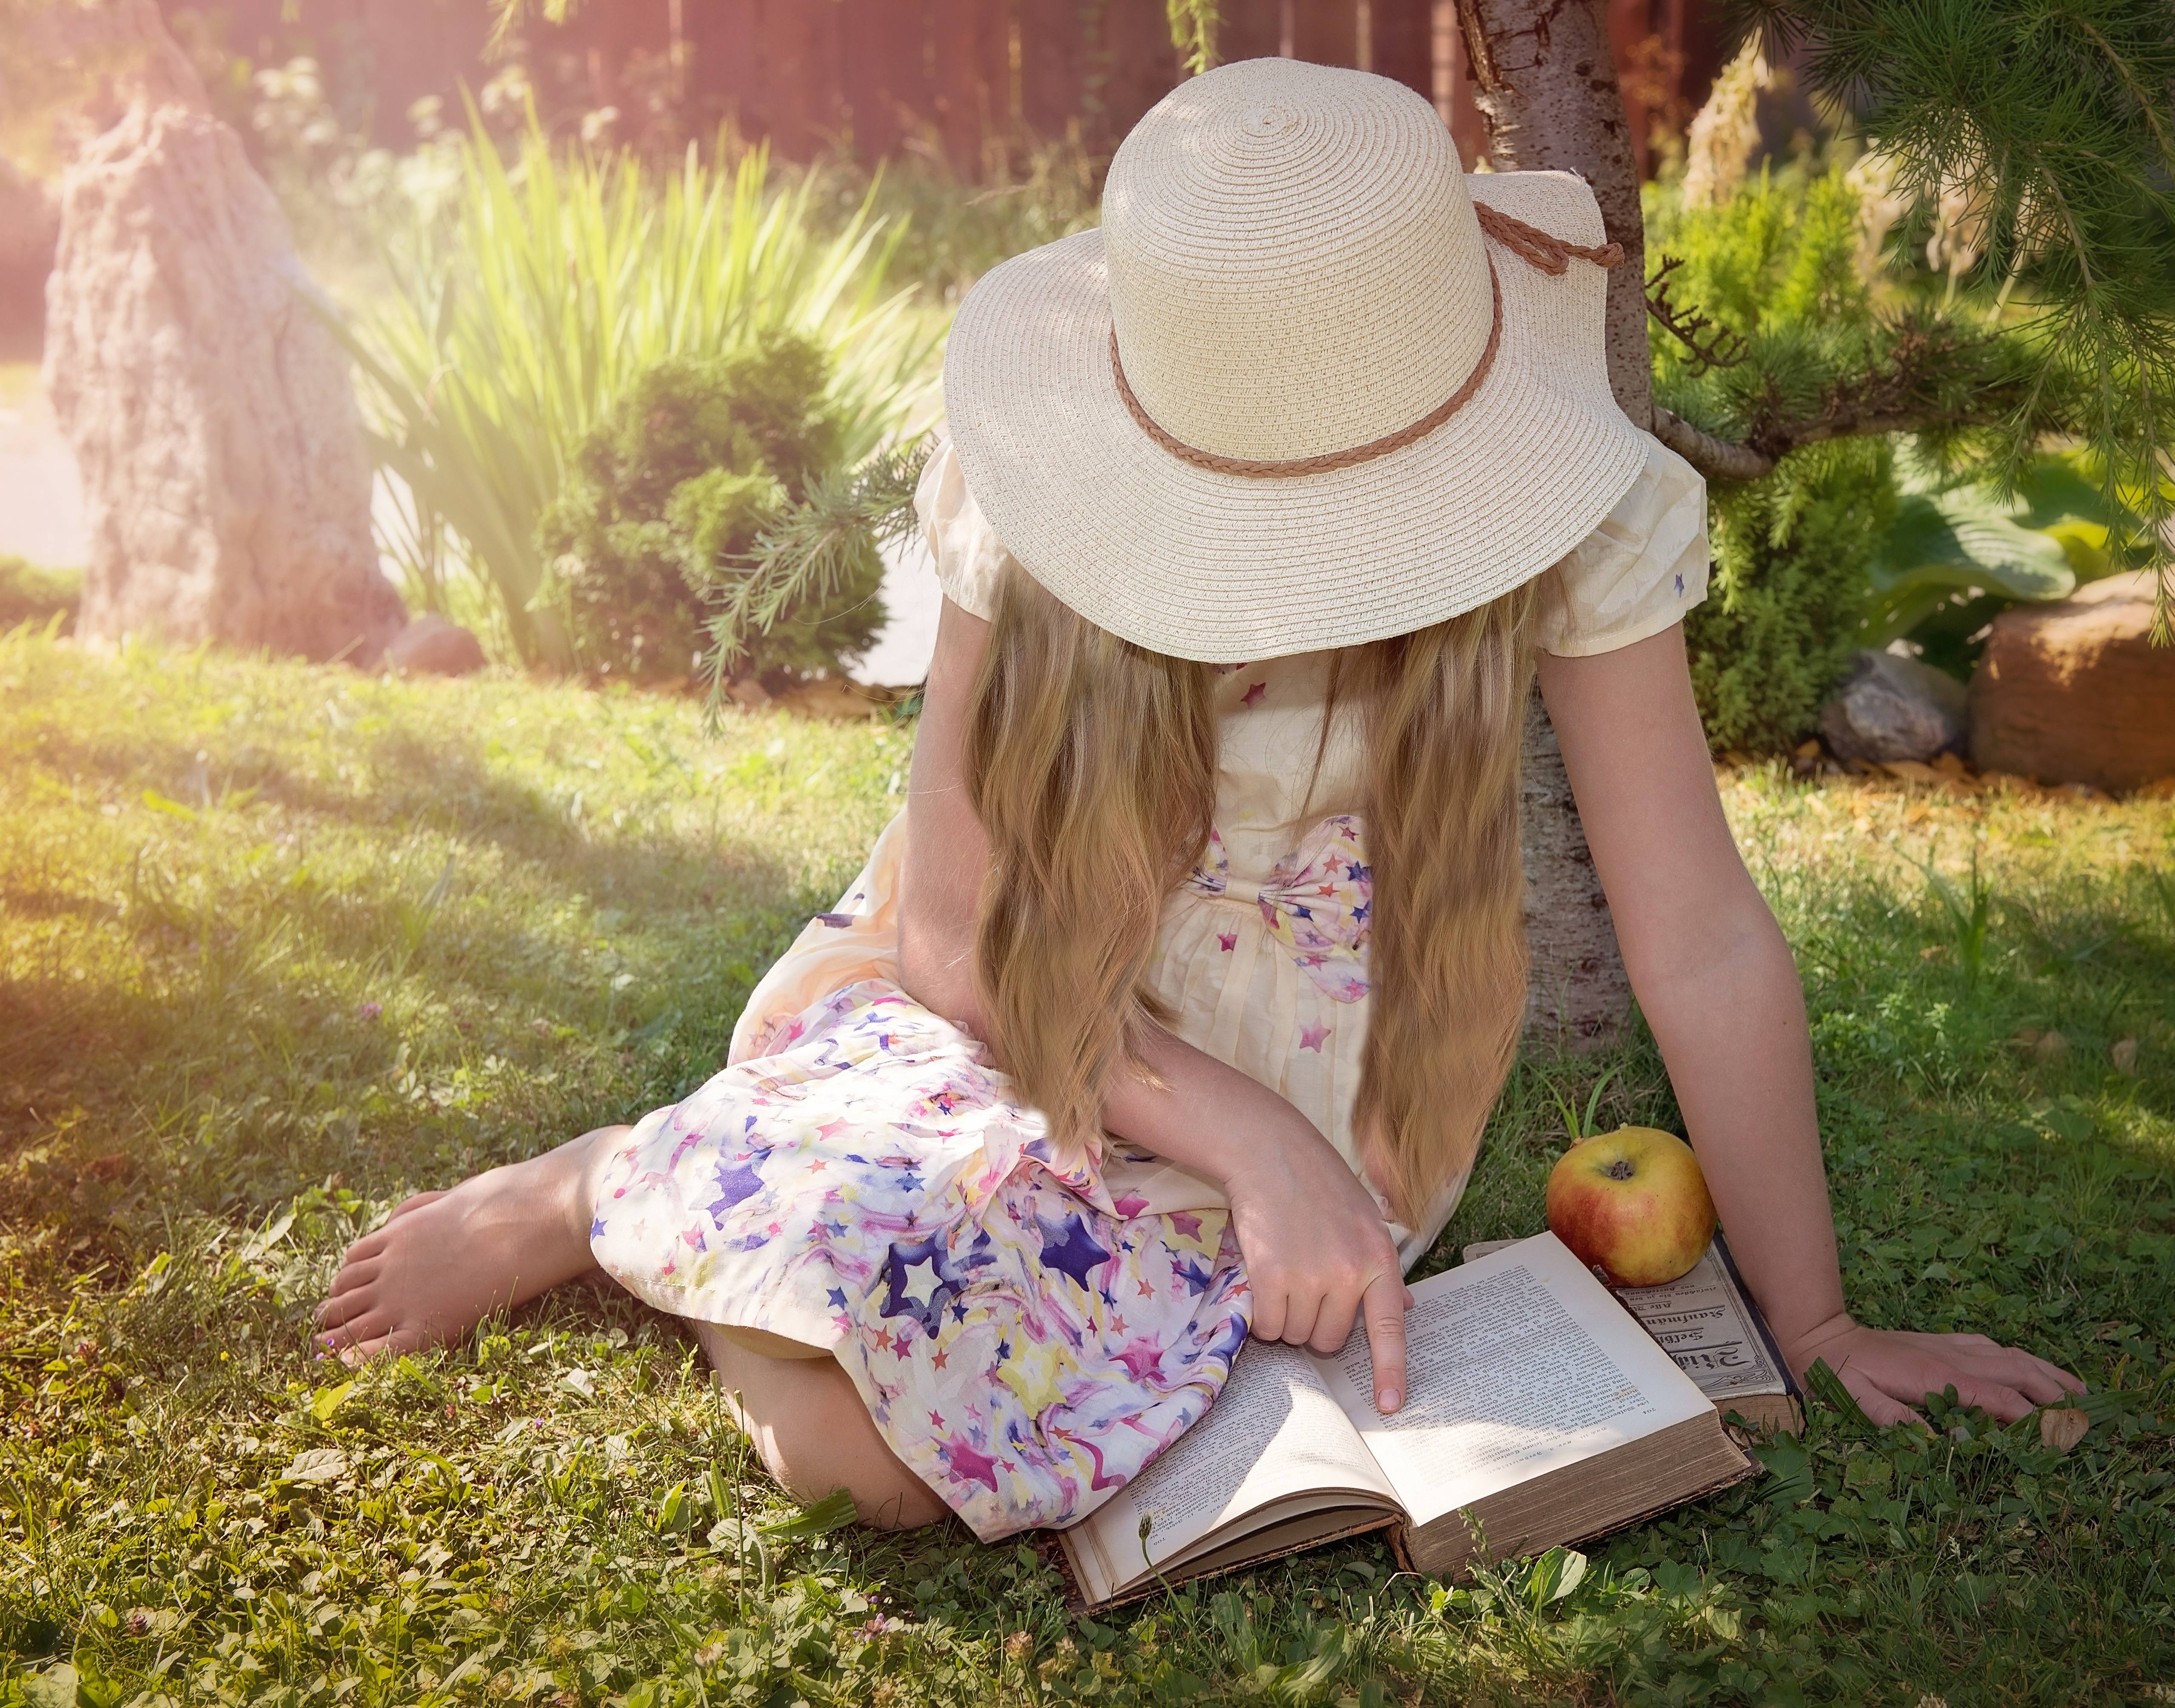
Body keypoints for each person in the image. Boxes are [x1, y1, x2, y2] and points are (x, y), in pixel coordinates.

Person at [316, 58, 2082, 1537]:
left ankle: (712, 1216)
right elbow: (949, 926)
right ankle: (614, 1180)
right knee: (856, 1423)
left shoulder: (1580, 517)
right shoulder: (1025, 488)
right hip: (1026, 992)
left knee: (904, 1457)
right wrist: (1253, 1140)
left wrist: (1822, 1314)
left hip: (1339, 1049)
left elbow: (1697, 934)